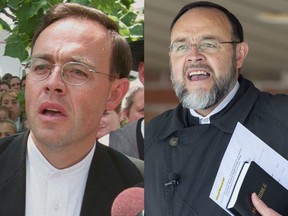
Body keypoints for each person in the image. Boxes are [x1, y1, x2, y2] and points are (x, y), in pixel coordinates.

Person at [0, 3, 143, 216]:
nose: (53, 82)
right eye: (41, 67)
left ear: (114, 94)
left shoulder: (143, 188)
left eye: (77, 71)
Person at [145, 2, 286, 216]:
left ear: (239, 54)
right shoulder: (152, 135)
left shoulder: (283, 117)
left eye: (209, 44)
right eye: (181, 46)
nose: (194, 55)